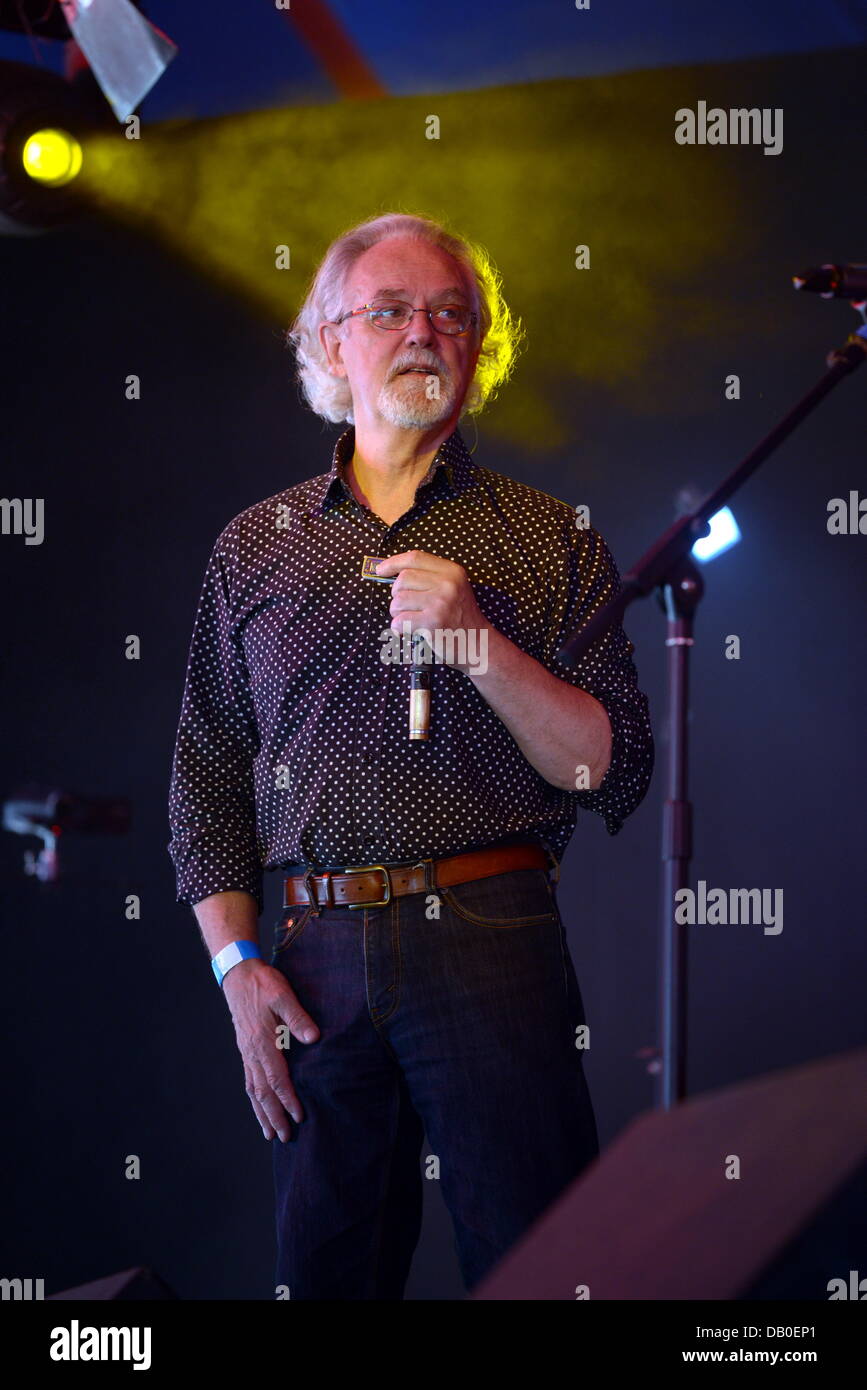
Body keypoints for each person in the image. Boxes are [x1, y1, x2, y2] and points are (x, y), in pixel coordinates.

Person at [168, 211, 654, 1300]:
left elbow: (610, 767)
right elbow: (204, 778)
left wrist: (476, 639)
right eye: (389, 310)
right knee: (326, 1276)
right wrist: (237, 969)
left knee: (540, 1265)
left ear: (482, 347)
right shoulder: (255, 544)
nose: (423, 332)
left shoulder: (549, 534)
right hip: (308, 952)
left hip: (492, 937)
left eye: (450, 313)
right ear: (331, 343)